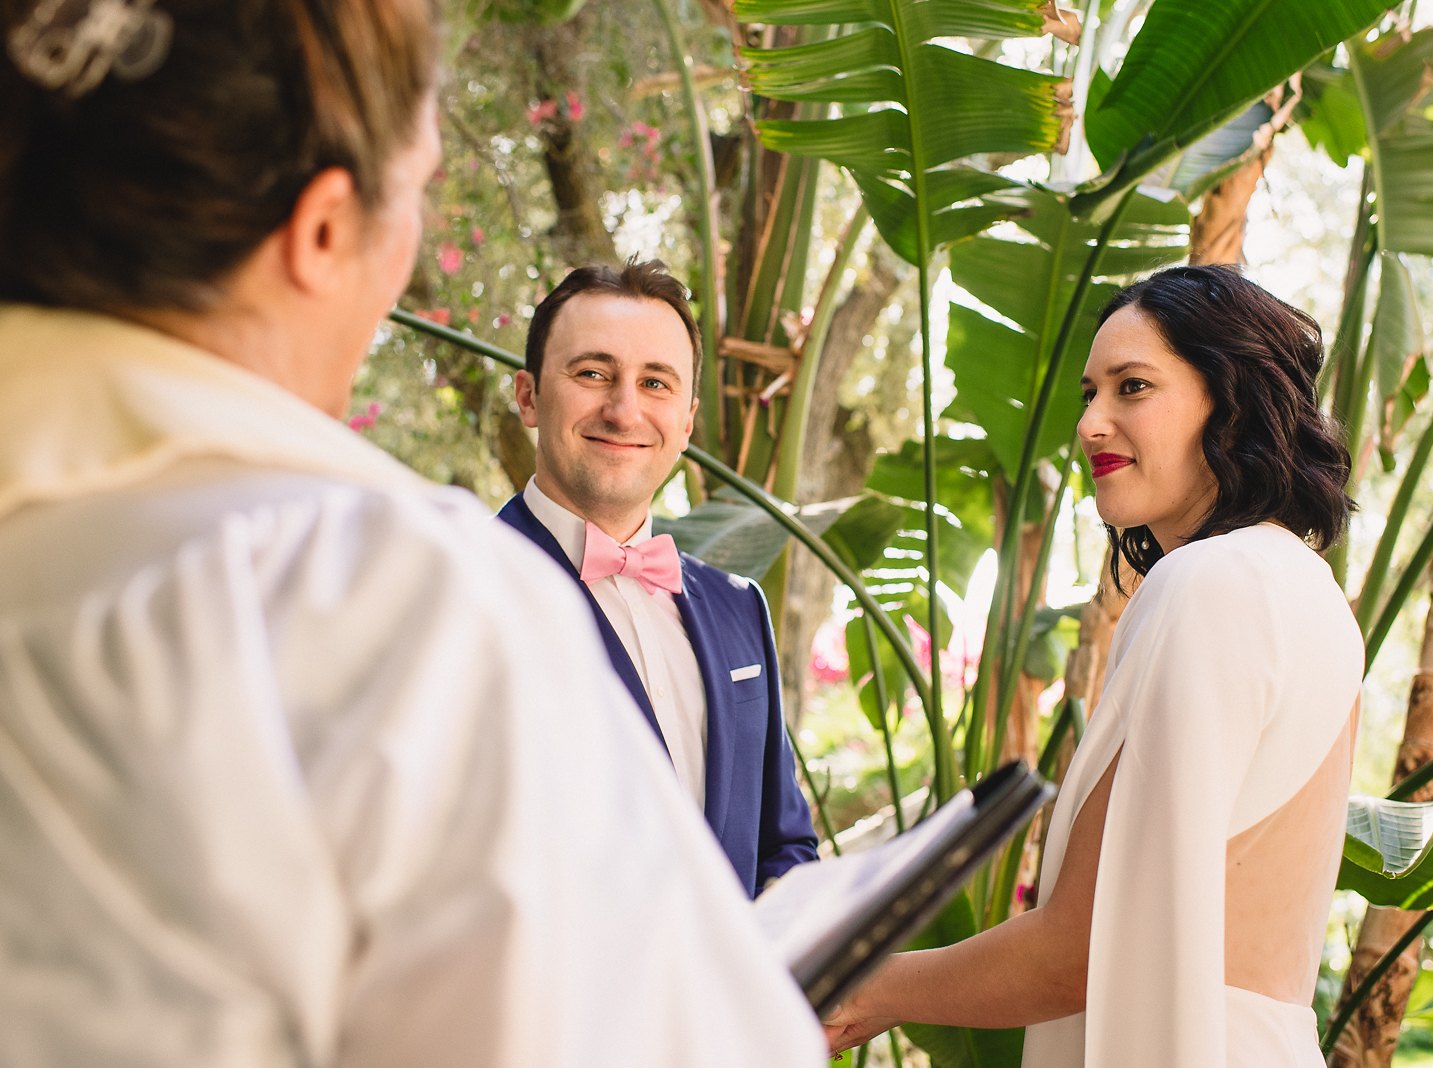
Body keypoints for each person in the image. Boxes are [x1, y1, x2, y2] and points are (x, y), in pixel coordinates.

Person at [0, 2, 824, 1064]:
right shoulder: (386, 602)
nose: (626, 408)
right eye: (424, 188)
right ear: (327, 229)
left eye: (659, 382)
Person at [823, 264, 1363, 1067]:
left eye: (1132, 388)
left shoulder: (1209, 584)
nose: (1091, 423)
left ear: (1232, 397)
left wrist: (862, 988)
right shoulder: (1306, 590)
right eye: (1088, 394)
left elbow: (1080, 948)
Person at [497, 261, 819, 897]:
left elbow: (783, 845)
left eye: (656, 383)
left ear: (689, 420)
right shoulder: (459, 593)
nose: (625, 410)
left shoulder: (739, 610)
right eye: (593, 374)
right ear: (530, 396)